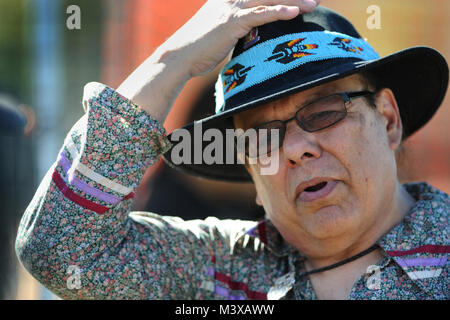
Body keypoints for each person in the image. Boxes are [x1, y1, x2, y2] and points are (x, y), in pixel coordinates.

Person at [15, 1, 449, 300]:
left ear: (388, 120)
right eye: (263, 135)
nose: (295, 149)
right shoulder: (217, 272)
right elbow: (59, 249)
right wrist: (172, 60)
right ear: (252, 176)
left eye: (323, 113)